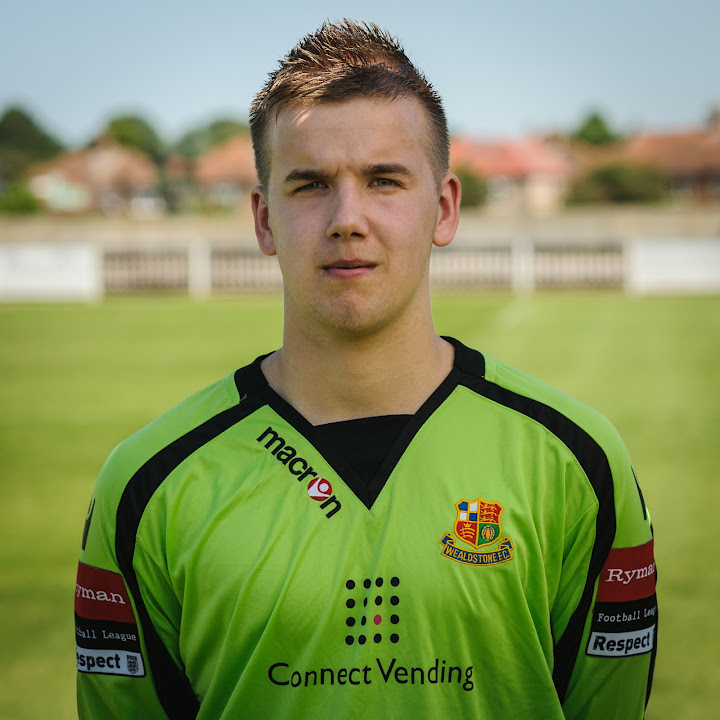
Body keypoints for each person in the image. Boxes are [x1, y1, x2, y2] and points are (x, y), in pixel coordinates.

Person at [75, 20, 657, 719]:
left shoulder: (579, 461)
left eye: (384, 180)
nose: (347, 219)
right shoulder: (147, 484)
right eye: (310, 184)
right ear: (263, 219)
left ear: (443, 208)